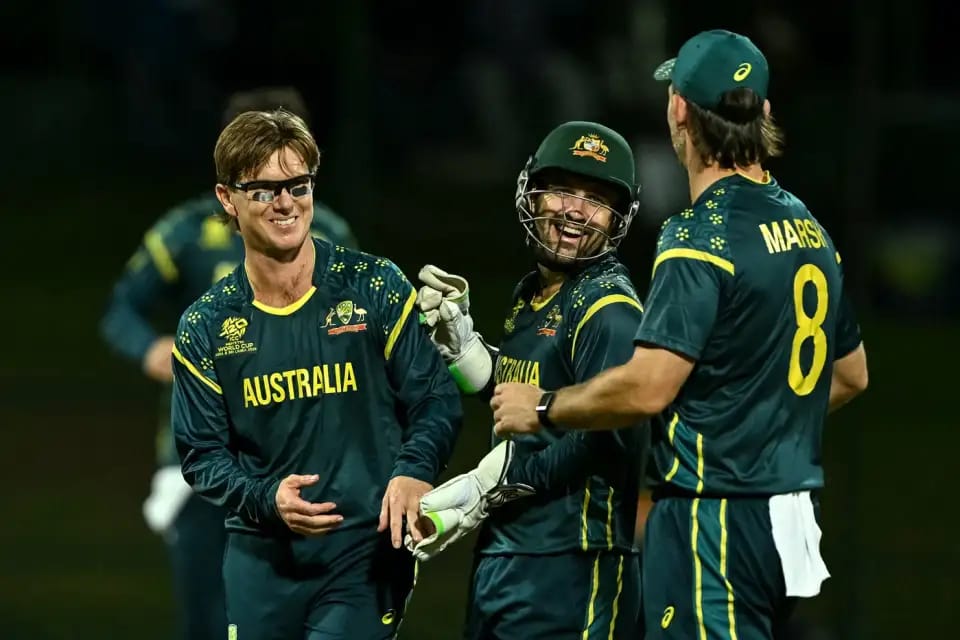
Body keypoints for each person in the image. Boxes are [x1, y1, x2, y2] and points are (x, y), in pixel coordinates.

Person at [490, 29, 869, 639]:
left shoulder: (698, 236)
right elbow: (851, 375)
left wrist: (543, 407)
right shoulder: (810, 229)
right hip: (792, 519)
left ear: (679, 111)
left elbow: (648, 388)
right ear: (764, 112)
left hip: (713, 520)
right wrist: (760, 430)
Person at [169, 107, 462, 640]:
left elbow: (435, 398)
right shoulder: (205, 326)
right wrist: (266, 499)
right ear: (227, 198)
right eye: (264, 190)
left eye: (298, 186)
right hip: (260, 564)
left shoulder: (373, 286)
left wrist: (414, 470)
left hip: (364, 556)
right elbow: (202, 455)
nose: (286, 204)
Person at [99, 86, 357, 640]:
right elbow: (121, 309)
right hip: (204, 454)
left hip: (296, 453)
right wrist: (152, 349)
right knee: (209, 615)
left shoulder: (330, 235)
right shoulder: (188, 232)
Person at [407, 121, 649, 639]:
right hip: (507, 557)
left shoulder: (608, 311)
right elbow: (531, 393)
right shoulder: (535, 295)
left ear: (618, 218)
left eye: (596, 200)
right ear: (531, 194)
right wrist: (466, 352)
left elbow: (614, 433)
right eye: (562, 190)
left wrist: (491, 485)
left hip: (572, 566)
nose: (575, 211)